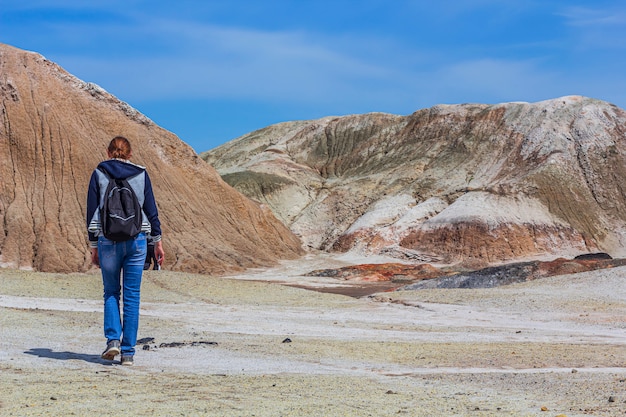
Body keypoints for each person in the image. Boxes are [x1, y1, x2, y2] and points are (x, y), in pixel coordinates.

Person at [86, 136, 164, 366]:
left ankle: (113, 341)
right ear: (130, 154)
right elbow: (151, 210)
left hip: (107, 240)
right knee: (132, 297)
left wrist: (94, 245)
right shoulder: (141, 174)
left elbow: (92, 212)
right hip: (137, 240)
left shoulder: (99, 173)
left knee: (111, 292)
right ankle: (128, 353)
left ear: (109, 152)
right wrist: (157, 241)